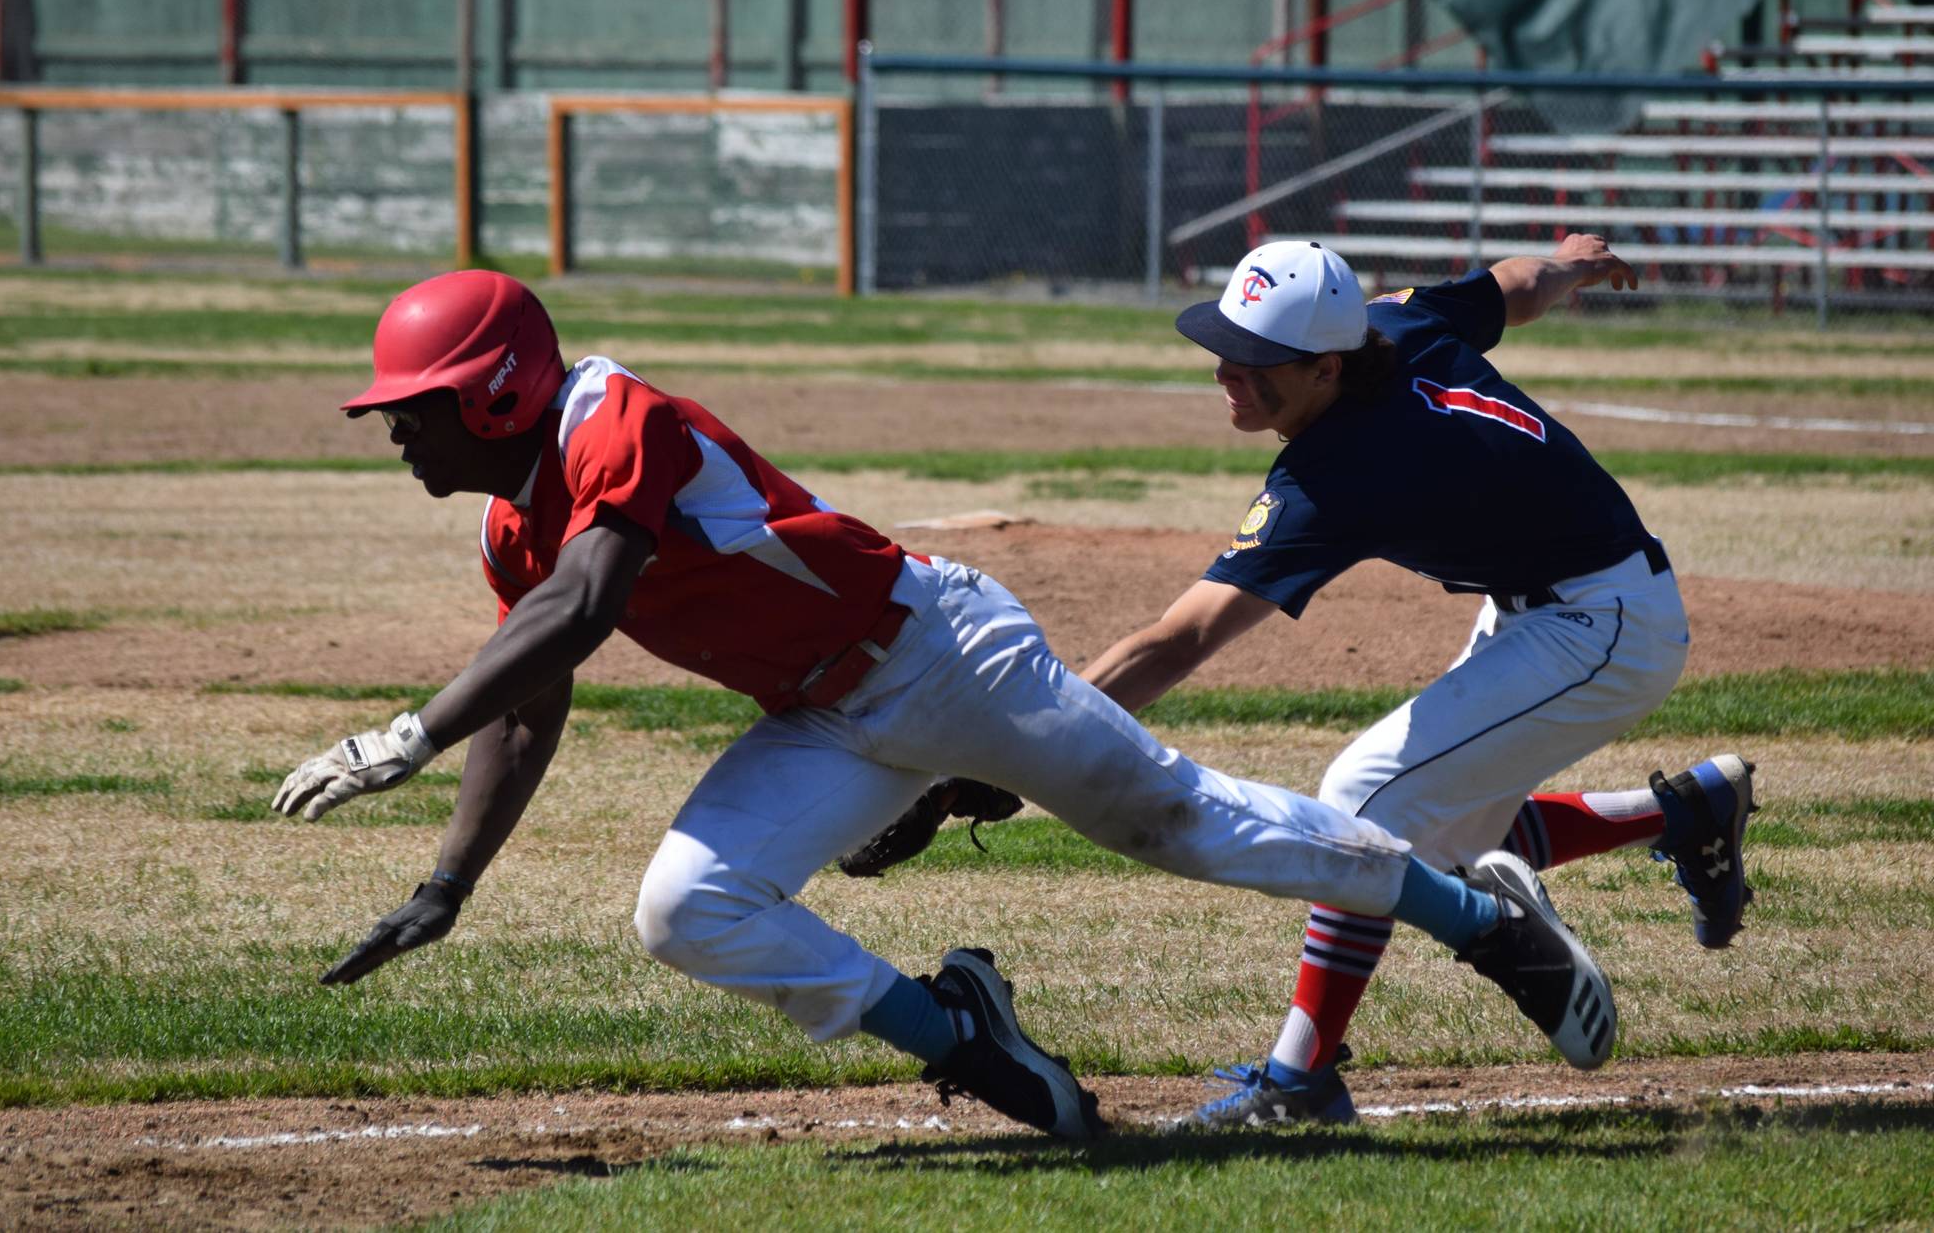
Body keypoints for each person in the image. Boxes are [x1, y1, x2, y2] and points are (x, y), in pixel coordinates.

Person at [272, 268, 1622, 1142]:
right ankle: (959, 1034)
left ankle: (1475, 912)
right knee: (685, 910)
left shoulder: (609, 414)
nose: (399, 431)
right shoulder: (512, 524)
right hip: (824, 712)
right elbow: (533, 700)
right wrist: (452, 876)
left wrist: (402, 734)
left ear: (500, 386)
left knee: (1181, 822)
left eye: (418, 406)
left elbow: (588, 602)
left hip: (936, 651)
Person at [1076, 236, 1757, 1129]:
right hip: (1553, 604)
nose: (1227, 372)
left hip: (1603, 625)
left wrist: (1041, 728)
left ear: (1324, 365)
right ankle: (1685, 812)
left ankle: (1299, 1082)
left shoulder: (1337, 469)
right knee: (1435, 847)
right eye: (1224, 348)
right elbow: (1510, 288)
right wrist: (1567, 261)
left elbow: (1181, 639)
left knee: (1362, 807)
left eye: (1254, 360)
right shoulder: (1394, 322)